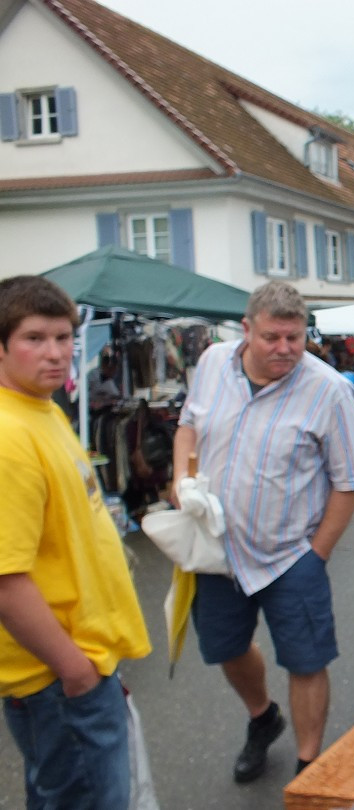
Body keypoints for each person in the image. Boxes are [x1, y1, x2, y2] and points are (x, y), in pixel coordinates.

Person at [173, 280, 354, 782]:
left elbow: (350, 483)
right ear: (246, 330)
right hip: (217, 550)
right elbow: (188, 425)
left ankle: (308, 766)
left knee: (306, 661)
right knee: (225, 648)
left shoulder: (329, 391)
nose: (285, 349)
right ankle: (263, 718)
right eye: (272, 338)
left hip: (290, 555)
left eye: (294, 338)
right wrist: (180, 478)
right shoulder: (214, 362)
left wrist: (317, 554)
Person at [0, 276, 152, 808]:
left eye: (64, 338)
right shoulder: (8, 436)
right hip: (58, 676)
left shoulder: (44, 410)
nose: (56, 354)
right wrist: (75, 670)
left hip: (83, 663)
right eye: (35, 339)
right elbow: (5, 581)